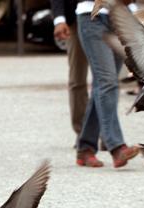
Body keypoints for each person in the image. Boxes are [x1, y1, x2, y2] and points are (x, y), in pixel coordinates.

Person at [75, 0, 139, 168]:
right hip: (92, 16)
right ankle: (116, 146)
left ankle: (85, 148)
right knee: (107, 81)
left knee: (102, 85)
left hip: (122, 18)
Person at [50, 0, 88, 145]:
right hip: (76, 19)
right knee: (77, 79)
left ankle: (108, 133)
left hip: (108, 16)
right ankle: (82, 132)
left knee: (107, 81)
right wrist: (59, 19)